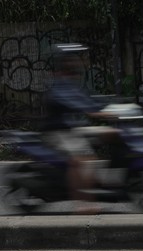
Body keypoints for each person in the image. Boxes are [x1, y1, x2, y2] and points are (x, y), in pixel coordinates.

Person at [41, 43, 108, 214]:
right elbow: (77, 103)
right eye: (71, 60)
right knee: (79, 159)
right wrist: (97, 112)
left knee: (111, 135)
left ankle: (99, 182)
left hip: (71, 130)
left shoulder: (72, 81)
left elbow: (88, 101)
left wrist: (111, 106)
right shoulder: (60, 83)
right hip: (57, 132)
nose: (76, 62)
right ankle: (82, 203)